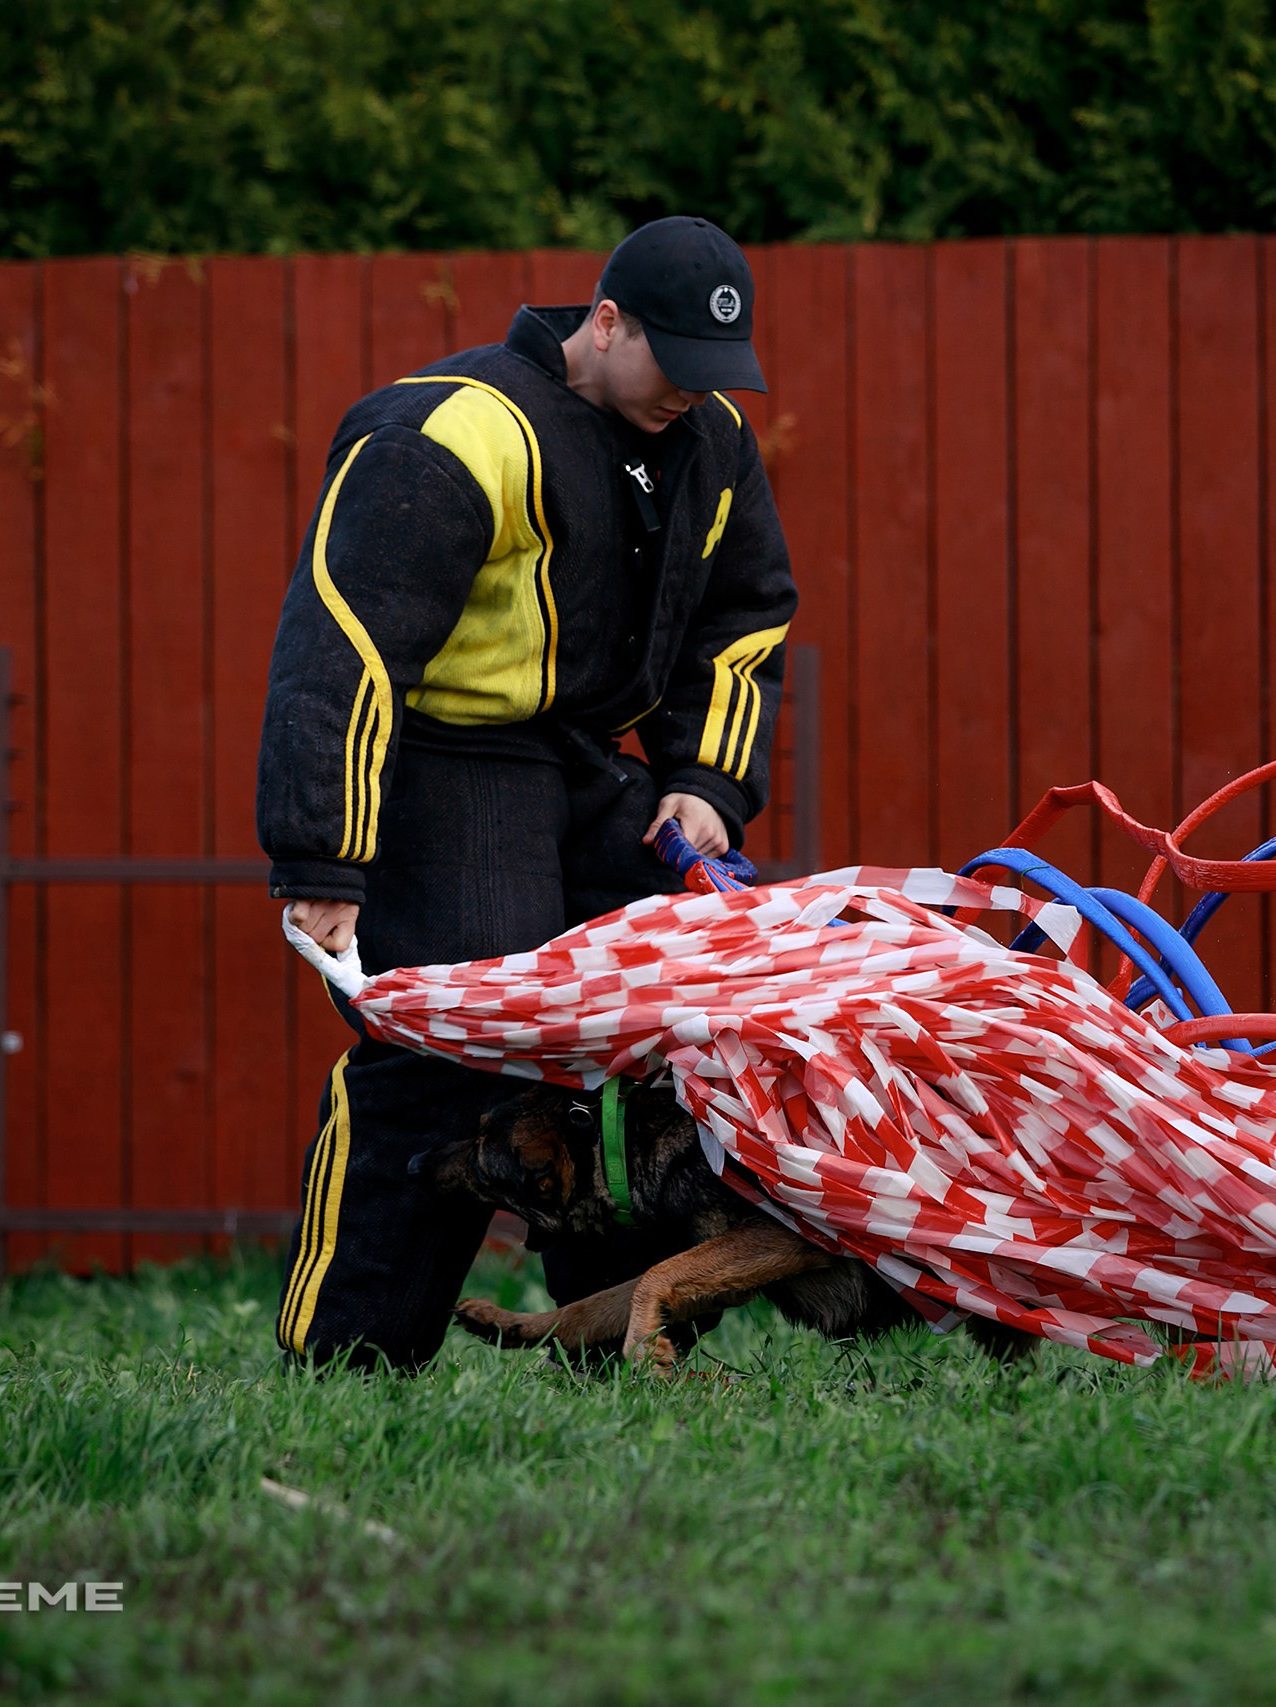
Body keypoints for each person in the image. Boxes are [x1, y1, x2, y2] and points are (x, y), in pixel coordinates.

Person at [257, 216, 798, 1369]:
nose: (693, 397)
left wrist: (704, 781)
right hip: (451, 761)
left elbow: (745, 612)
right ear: (605, 324)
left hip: (594, 765)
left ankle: (609, 1348)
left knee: (667, 1026)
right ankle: (346, 1362)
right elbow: (341, 642)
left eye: (717, 377)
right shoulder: (447, 431)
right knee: (456, 1045)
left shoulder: (712, 437)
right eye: (674, 368)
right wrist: (324, 860)